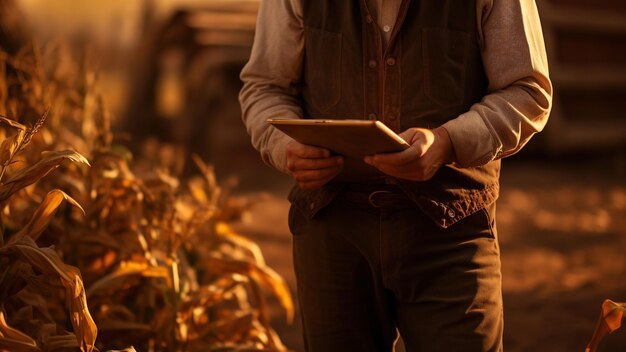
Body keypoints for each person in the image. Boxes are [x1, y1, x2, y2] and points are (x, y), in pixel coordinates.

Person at [239, 0, 552, 351]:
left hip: (450, 228)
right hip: (332, 230)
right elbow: (265, 87)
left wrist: (449, 141)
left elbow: (528, 91)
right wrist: (284, 146)